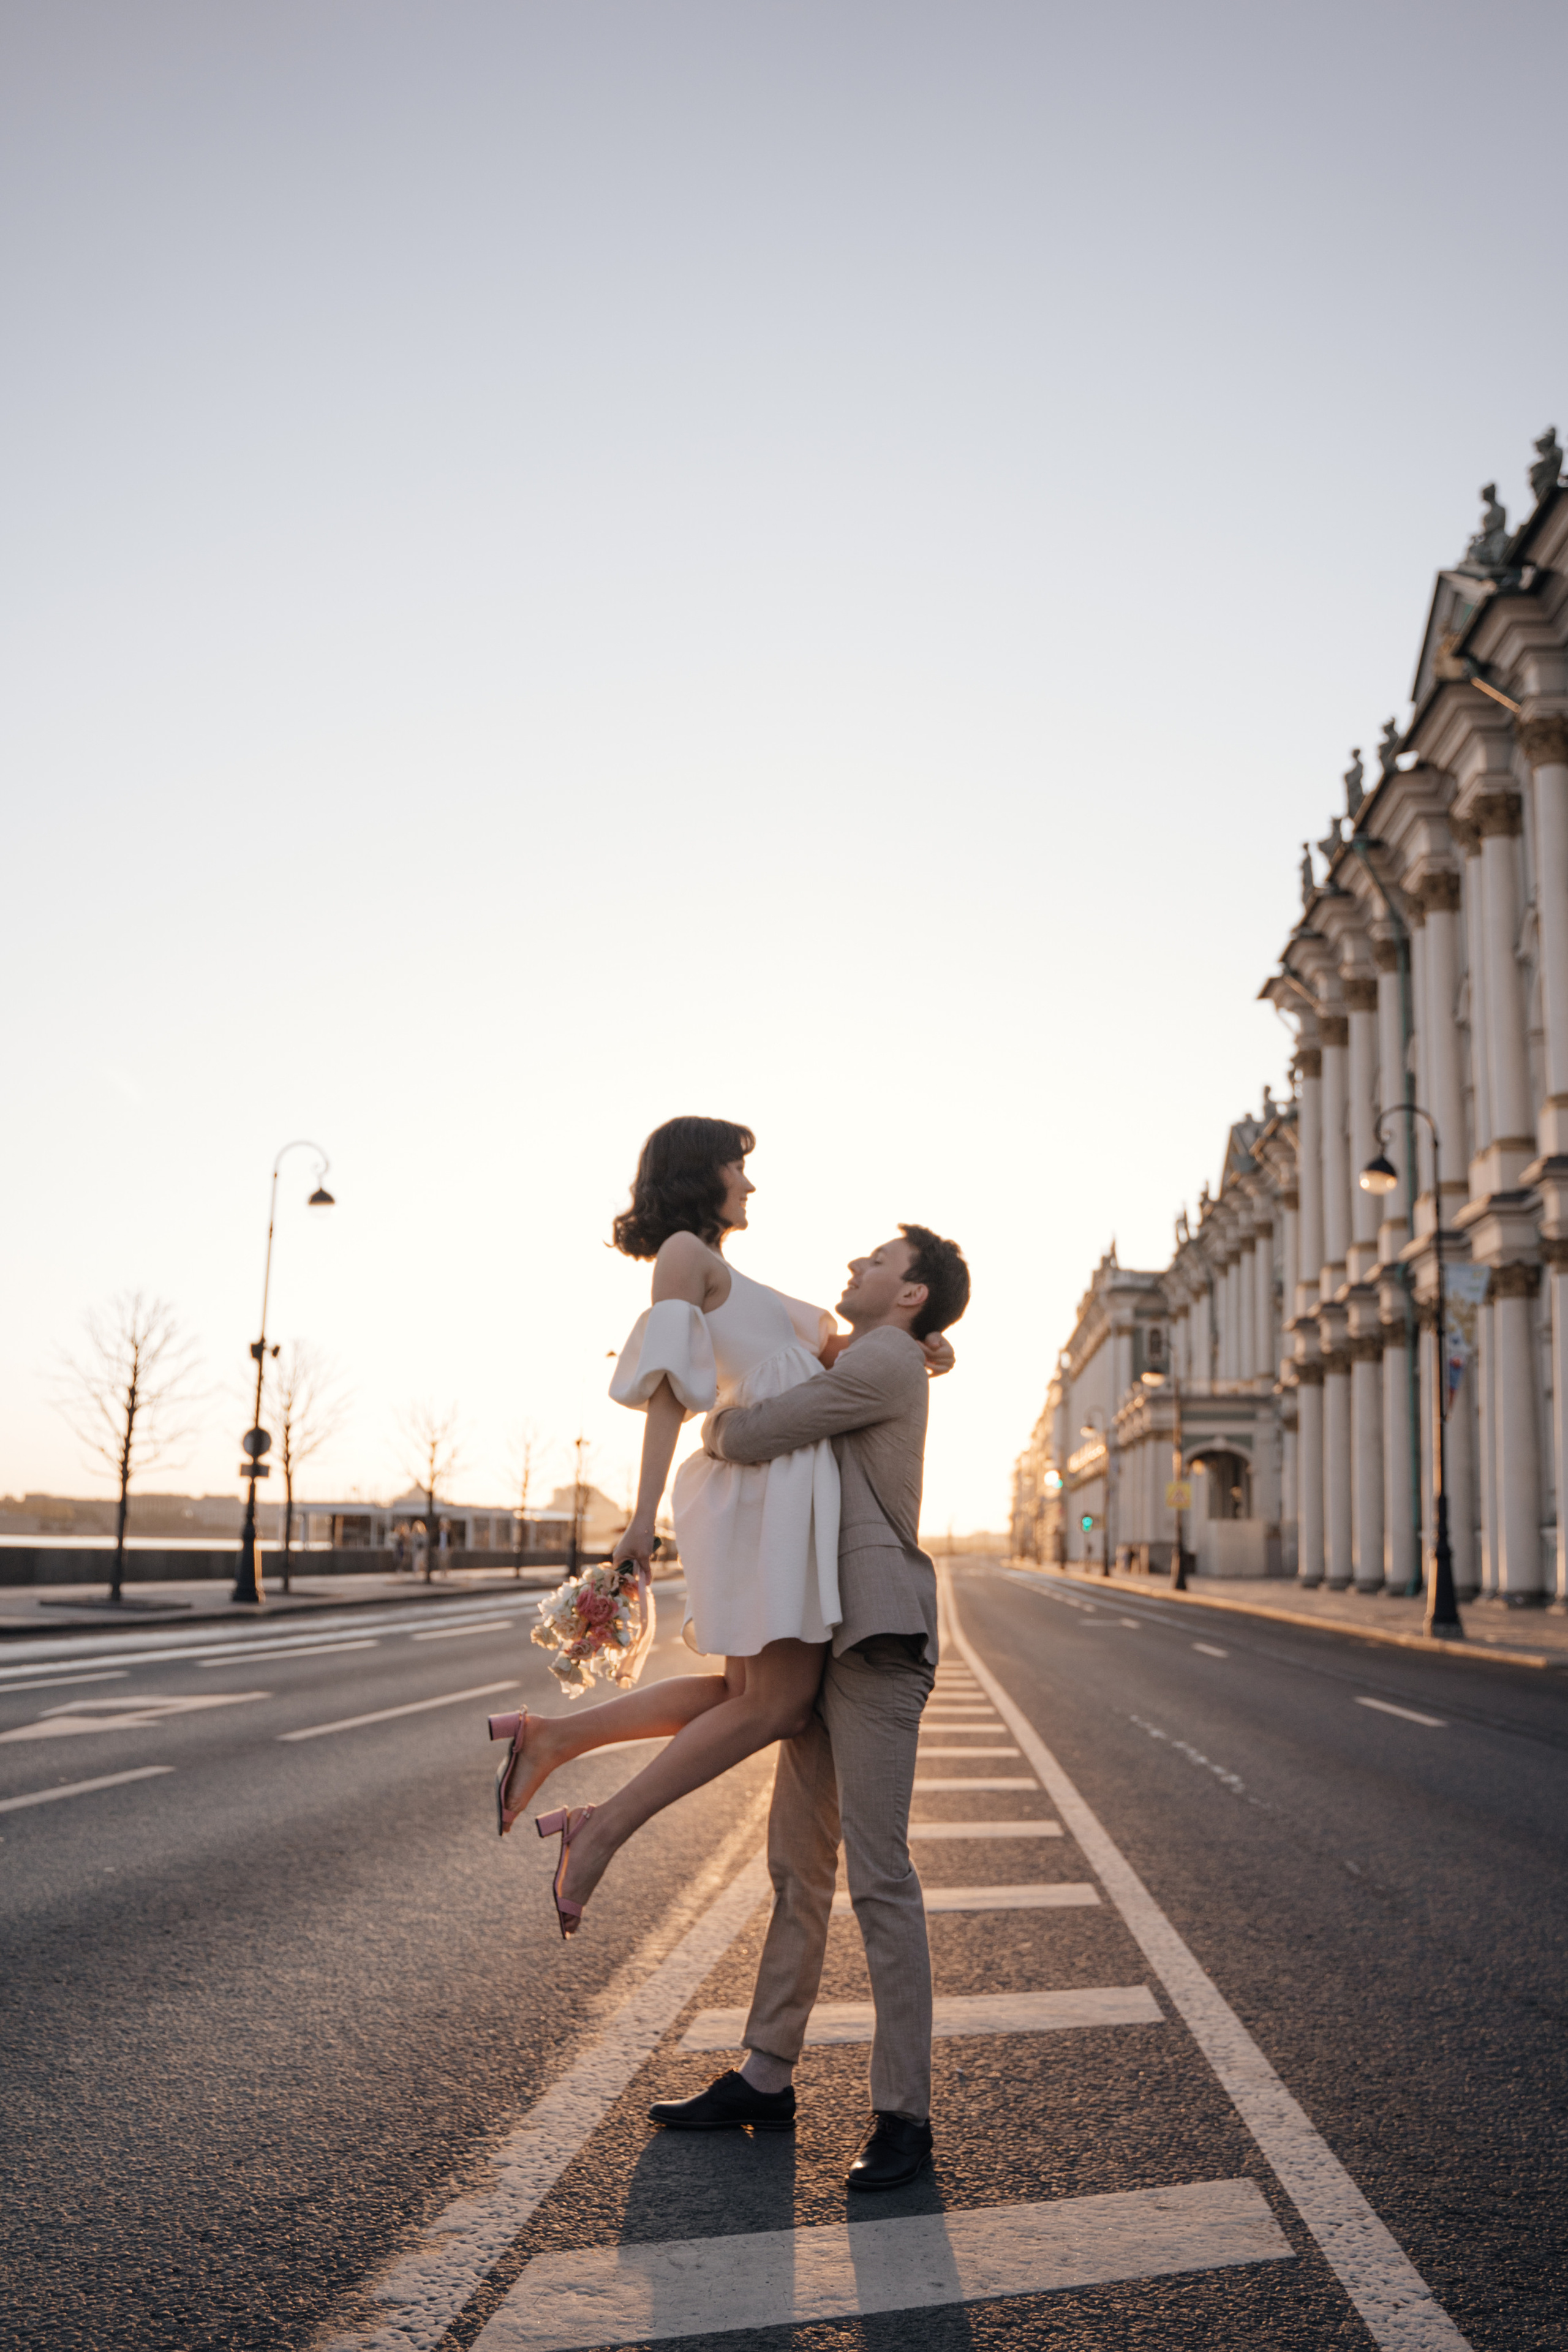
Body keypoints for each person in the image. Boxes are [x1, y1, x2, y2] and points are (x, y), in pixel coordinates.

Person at [486, 1114, 955, 1942]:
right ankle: (598, 1826)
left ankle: (553, 1740)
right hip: (758, 1495)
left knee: (756, 1697)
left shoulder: (760, 1291)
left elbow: (854, 1350)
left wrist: (932, 1341)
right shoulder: (684, 1257)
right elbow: (669, 1388)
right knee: (776, 1703)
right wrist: (640, 1517)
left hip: (784, 1497)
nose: (750, 1183)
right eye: (740, 1167)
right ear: (703, 1173)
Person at [646, 1221, 970, 2195]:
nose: (854, 1267)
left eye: (877, 1262)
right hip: (820, 1635)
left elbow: (762, 1428)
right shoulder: (890, 1351)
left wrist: (712, 1424)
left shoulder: (885, 1358)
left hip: (872, 1639)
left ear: (909, 1296)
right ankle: (765, 2075)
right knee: (797, 1867)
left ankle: (904, 2117)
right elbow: (825, 1360)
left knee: (879, 1875)